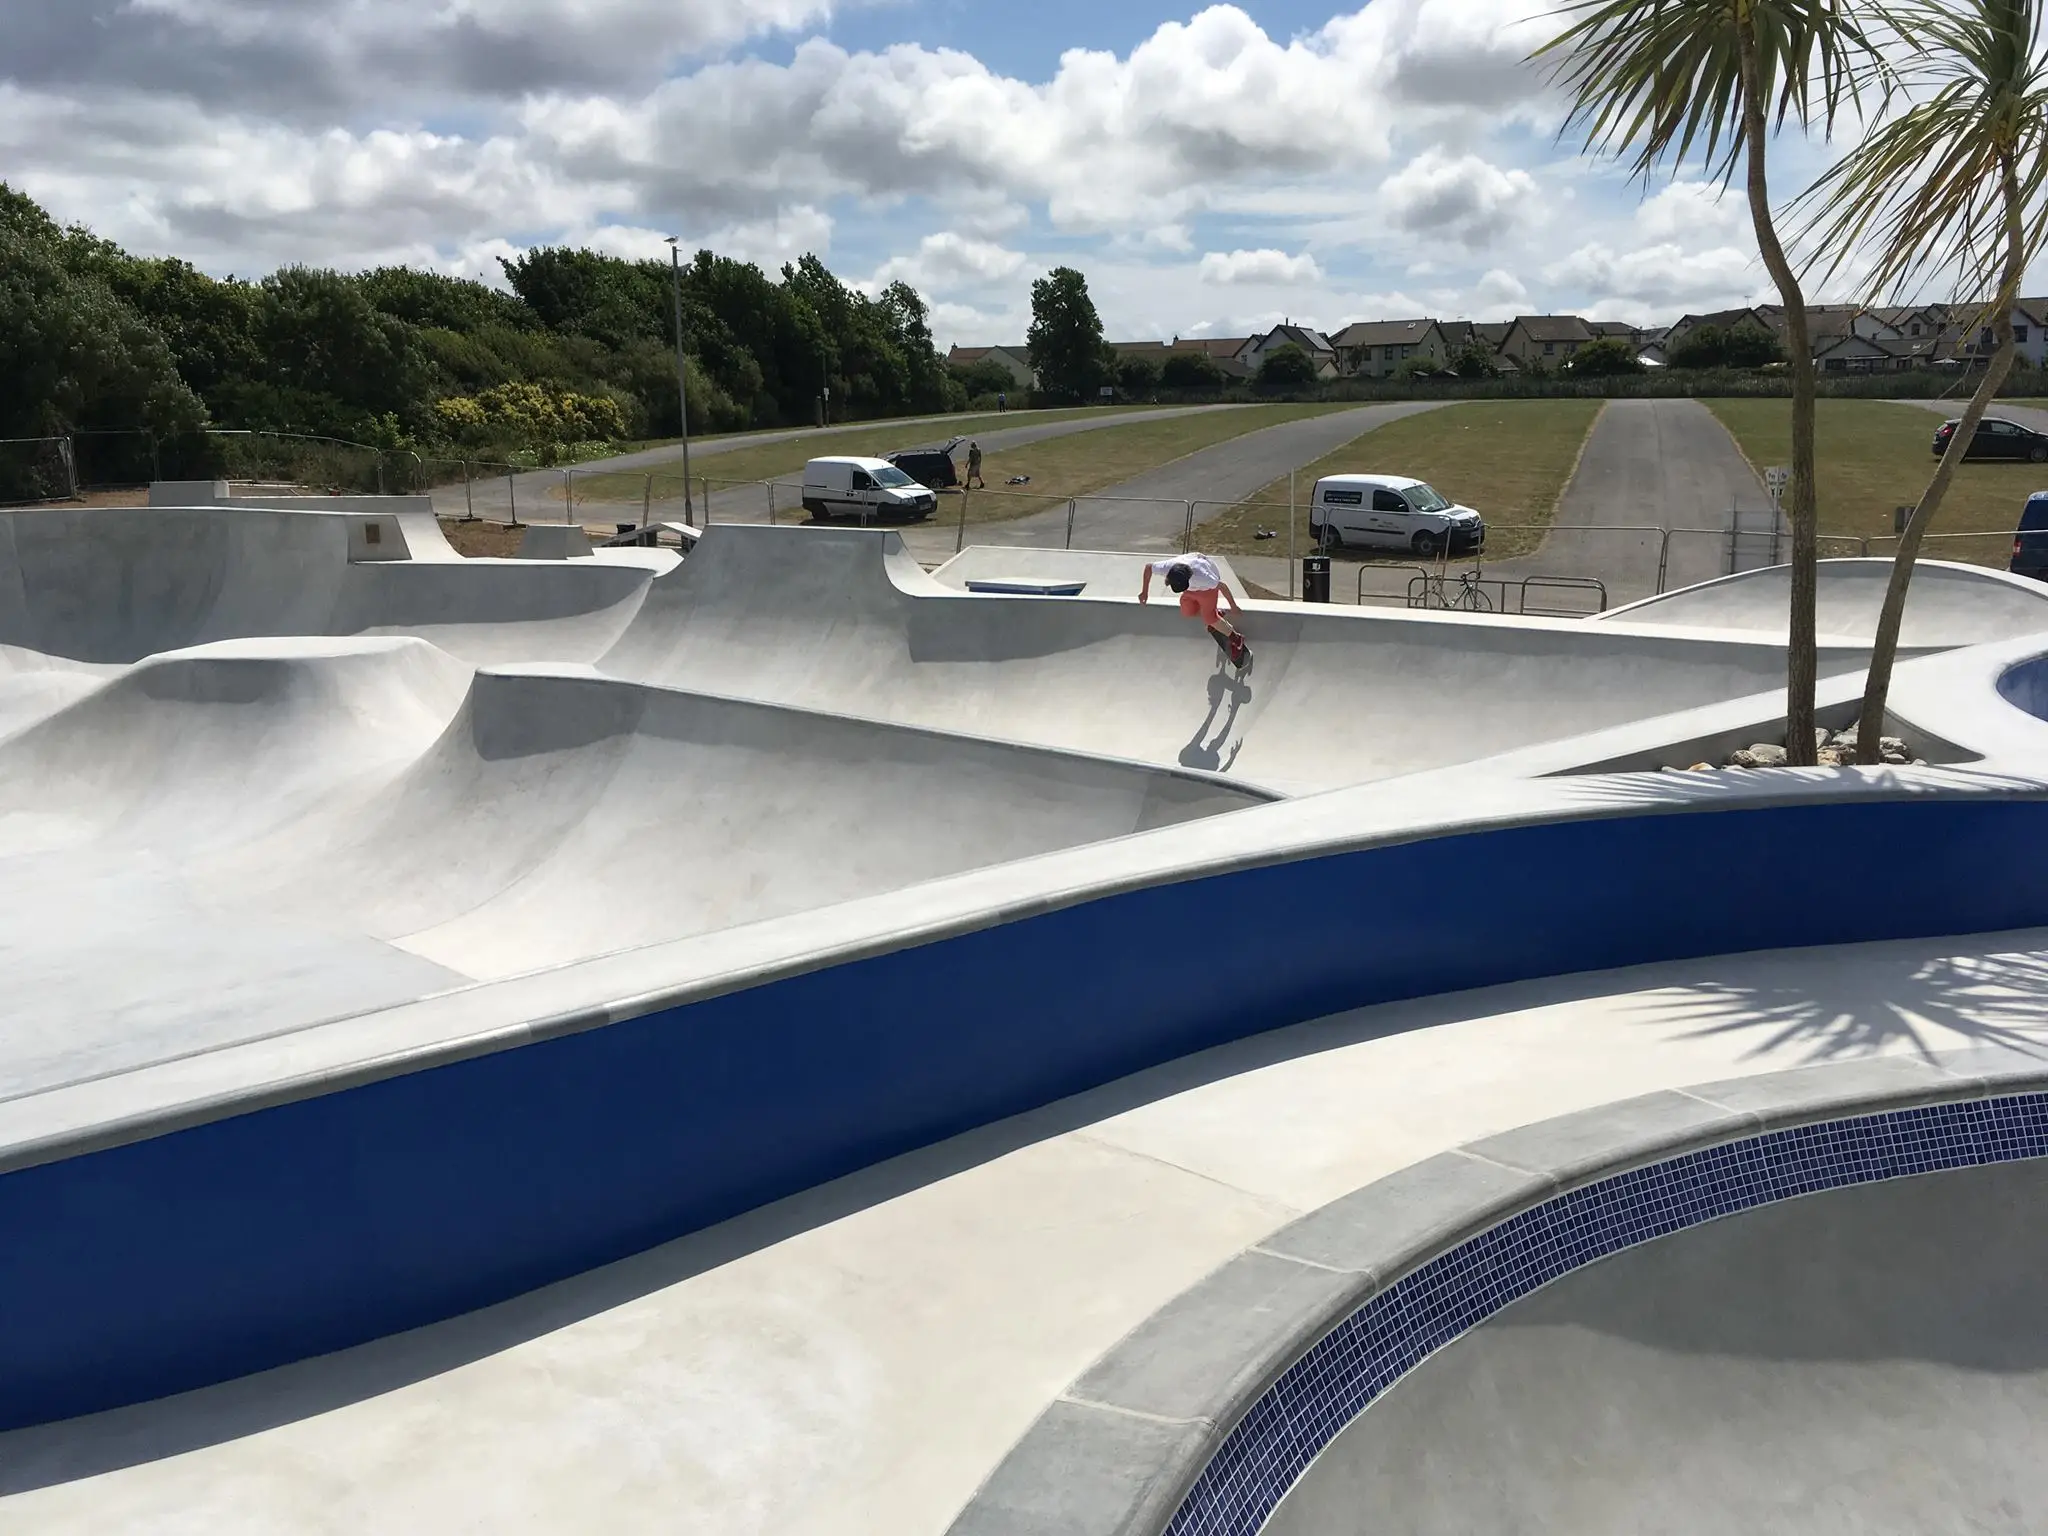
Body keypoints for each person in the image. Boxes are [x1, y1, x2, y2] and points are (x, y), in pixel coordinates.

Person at [1139, 553, 1246, 661]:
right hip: (1190, 591)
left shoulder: (1204, 578)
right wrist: (1144, 592)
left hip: (1207, 590)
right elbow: (1148, 567)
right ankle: (1215, 613)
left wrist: (1233, 606)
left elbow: (1222, 587)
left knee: (1209, 618)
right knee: (1187, 612)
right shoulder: (1167, 567)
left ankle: (1236, 639)